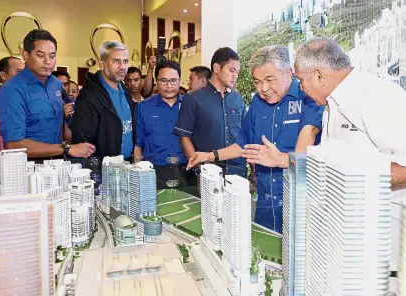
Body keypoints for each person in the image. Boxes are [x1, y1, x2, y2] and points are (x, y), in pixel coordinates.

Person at [293, 36, 406, 283]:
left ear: (320, 76)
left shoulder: (378, 97)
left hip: (390, 251)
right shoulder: (332, 104)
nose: (301, 88)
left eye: (302, 81)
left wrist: (354, 179)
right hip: (352, 243)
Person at [188, 45, 324, 232]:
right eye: (257, 82)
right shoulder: (257, 104)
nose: (264, 89)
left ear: (288, 73)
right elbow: (243, 145)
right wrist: (209, 156)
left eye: (269, 80)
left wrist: (280, 160)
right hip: (266, 204)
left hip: (300, 204)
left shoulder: (307, 97)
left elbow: (304, 152)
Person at [0, 29, 94, 159]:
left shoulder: (56, 84)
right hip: (29, 168)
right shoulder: (12, 90)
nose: (48, 61)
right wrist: (66, 148)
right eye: (41, 56)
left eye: (52, 56)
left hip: (58, 163)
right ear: (26, 55)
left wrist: (80, 142)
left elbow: (60, 124)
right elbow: (13, 145)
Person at [174, 47, 248, 177]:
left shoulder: (237, 99)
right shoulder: (193, 98)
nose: (235, 75)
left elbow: (246, 136)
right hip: (208, 174)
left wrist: (253, 169)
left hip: (238, 173)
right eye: (232, 70)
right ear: (217, 68)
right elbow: (184, 137)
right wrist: (197, 169)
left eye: (237, 72)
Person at [72, 40, 135, 160]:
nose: (122, 67)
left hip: (127, 165)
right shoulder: (88, 97)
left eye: (125, 61)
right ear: (102, 64)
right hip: (102, 169)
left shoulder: (125, 91)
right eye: (116, 61)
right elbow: (82, 143)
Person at [134, 60, 186, 167]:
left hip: (186, 168)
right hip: (154, 169)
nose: (169, 86)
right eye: (163, 80)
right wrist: (138, 171)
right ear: (156, 81)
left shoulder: (190, 106)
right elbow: (138, 145)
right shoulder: (143, 107)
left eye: (173, 80)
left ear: (180, 81)